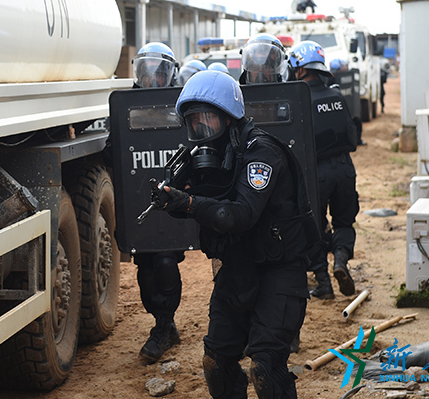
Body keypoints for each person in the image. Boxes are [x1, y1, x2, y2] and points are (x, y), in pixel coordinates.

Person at [152, 70, 316, 399]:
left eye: (207, 120)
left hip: (280, 269)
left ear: (229, 117)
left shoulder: (262, 153)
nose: (201, 129)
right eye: (194, 122)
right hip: (238, 267)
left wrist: (190, 203)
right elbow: (207, 205)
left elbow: (238, 215)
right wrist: (174, 199)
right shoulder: (211, 157)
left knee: (266, 366)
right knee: (216, 362)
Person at [126, 42, 186, 363]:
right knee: (146, 270)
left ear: (170, 74)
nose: (152, 79)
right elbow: (115, 151)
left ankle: (163, 326)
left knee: (165, 263)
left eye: (159, 72)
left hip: (170, 204)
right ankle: (165, 324)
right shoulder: (127, 107)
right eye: (146, 72)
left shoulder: (180, 105)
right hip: (141, 202)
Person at [289, 41, 359, 299]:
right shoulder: (337, 96)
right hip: (344, 168)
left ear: (300, 69)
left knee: (313, 227)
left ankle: (323, 283)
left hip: (315, 173)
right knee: (344, 221)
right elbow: (352, 137)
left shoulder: (299, 100)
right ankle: (340, 260)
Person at [329, 58, 366, 146]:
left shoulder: (346, 77)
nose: (345, 68)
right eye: (344, 66)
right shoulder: (330, 80)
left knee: (356, 122)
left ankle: (357, 140)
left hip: (348, 106)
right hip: (339, 108)